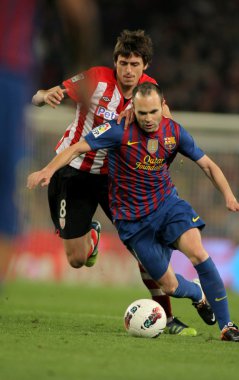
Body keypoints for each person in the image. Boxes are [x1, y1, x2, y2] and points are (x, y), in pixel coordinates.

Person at [27, 82, 239, 342]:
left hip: (168, 207)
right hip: (133, 224)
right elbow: (76, 148)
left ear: (163, 106)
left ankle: (228, 327)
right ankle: (198, 295)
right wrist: (48, 170)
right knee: (169, 286)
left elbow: (208, 165)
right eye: (143, 113)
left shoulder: (174, 132)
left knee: (199, 253)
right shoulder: (116, 131)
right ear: (133, 108)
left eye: (154, 112)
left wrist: (229, 197)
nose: (148, 119)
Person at [31, 29, 199, 336]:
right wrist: (45, 95)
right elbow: (40, 96)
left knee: (143, 250)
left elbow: (166, 122)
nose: (129, 70)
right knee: (77, 260)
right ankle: (91, 236)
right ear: (115, 62)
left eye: (135, 64)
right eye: (123, 62)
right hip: (74, 169)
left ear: (145, 66)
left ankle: (168, 316)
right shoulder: (95, 78)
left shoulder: (149, 92)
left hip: (117, 179)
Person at [0, 0, 99, 290]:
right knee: (75, 257)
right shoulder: (91, 82)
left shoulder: (145, 102)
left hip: (9, 70)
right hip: (9, 72)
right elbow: (78, 12)